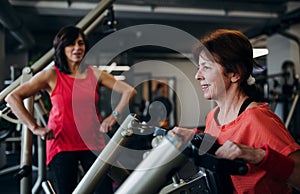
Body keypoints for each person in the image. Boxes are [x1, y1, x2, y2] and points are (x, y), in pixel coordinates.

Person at [5, 25, 137, 194]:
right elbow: (12, 97)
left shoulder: (94, 73)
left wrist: (114, 116)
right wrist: (34, 128)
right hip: (62, 144)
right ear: (62, 48)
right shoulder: (51, 75)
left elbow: (129, 91)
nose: (77, 48)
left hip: (92, 142)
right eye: (71, 44)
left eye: (81, 43)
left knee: (103, 190)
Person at [171, 29, 300, 193]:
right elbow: (219, 149)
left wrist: (258, 155)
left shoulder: (258, 119)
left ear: (234, 73)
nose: (197, 75)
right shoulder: (214, 116)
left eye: (206, 67)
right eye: (199, 67)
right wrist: (193, 136)